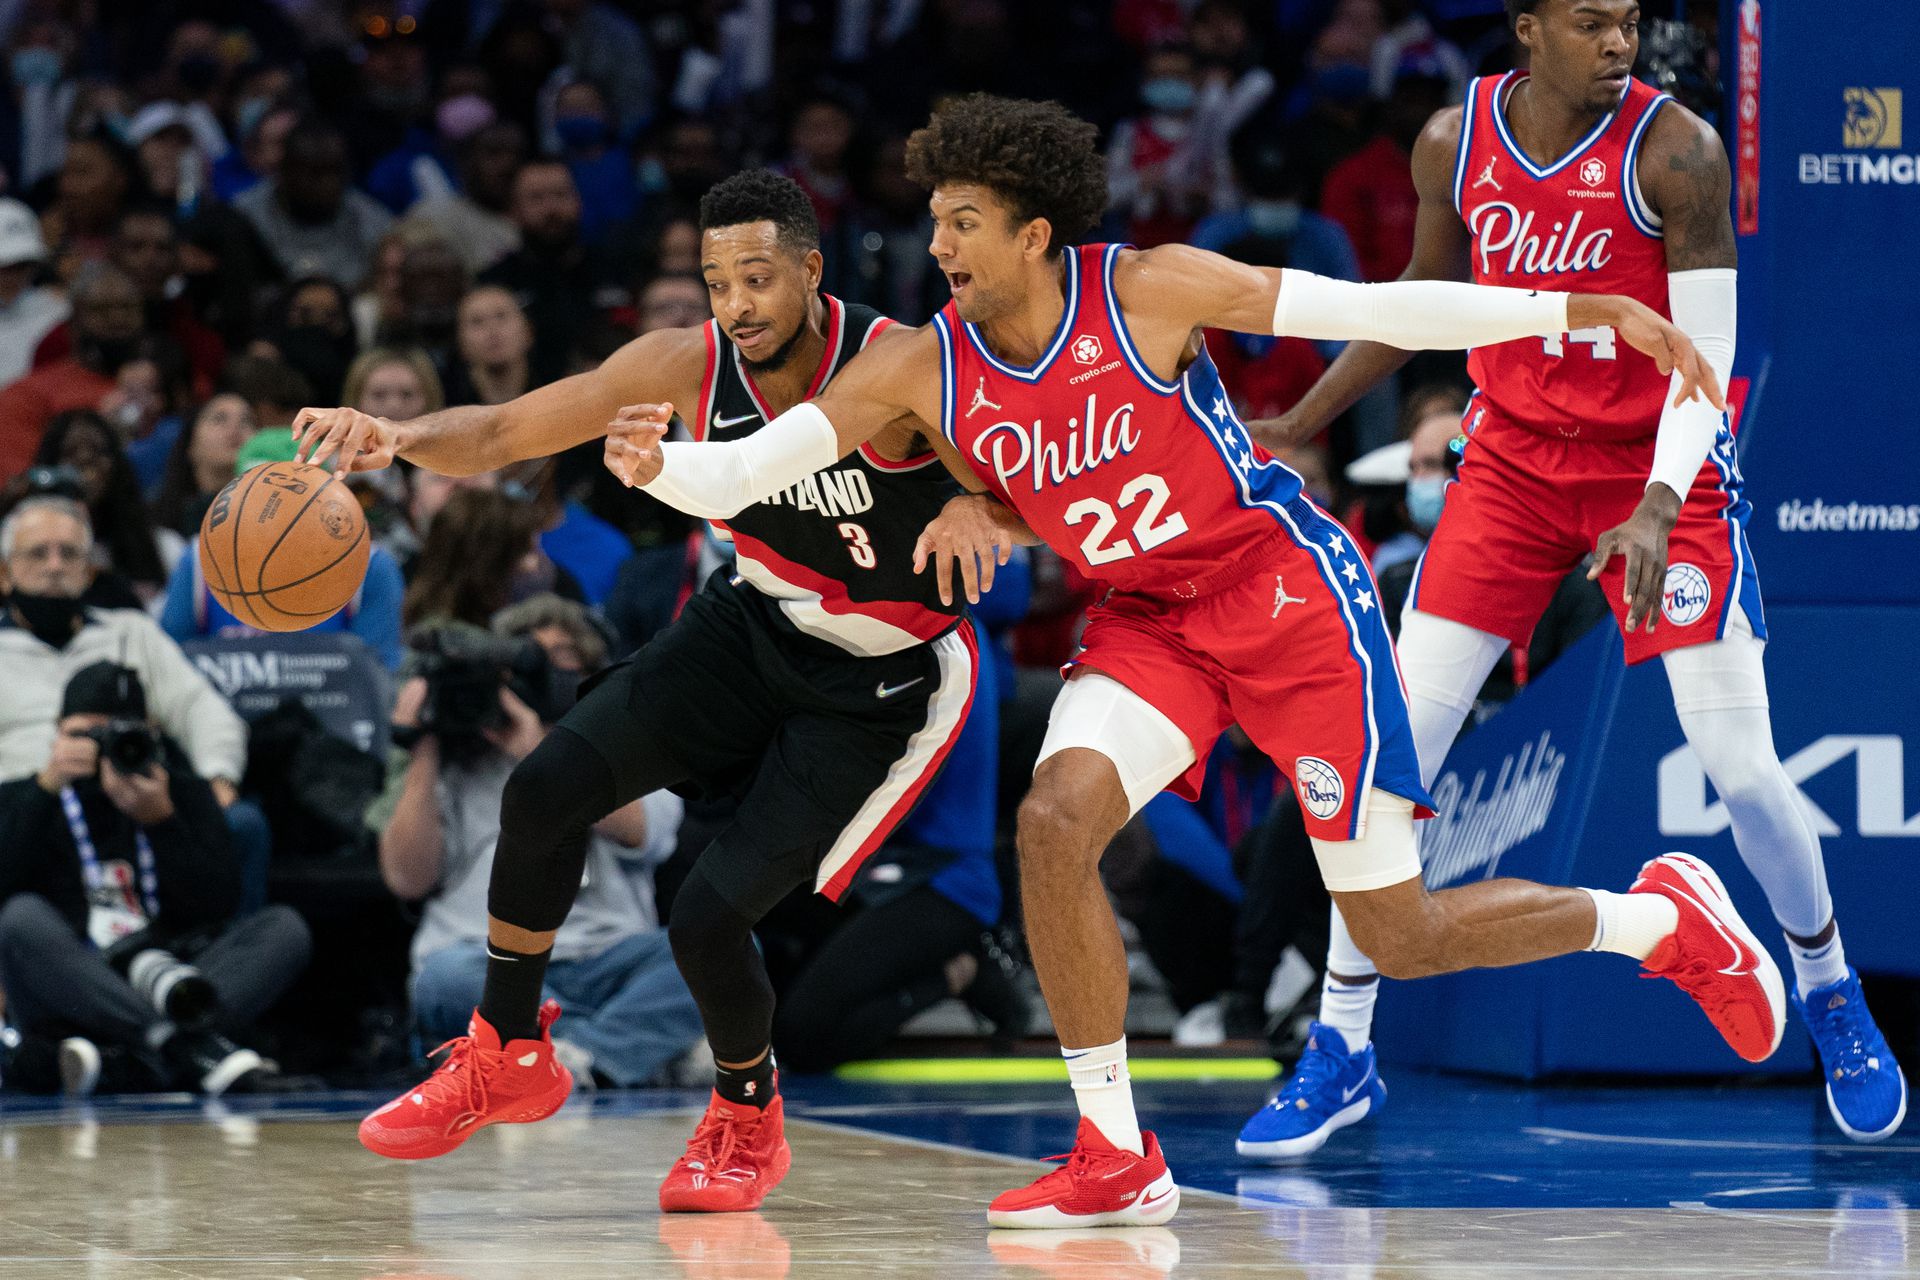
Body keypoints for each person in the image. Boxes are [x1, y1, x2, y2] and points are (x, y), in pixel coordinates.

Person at [583, 93, 1763, 1230]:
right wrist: (661, 469)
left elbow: (1375, 310)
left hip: (1289, 600)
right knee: (1054, 821)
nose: (934, 244)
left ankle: (1656, 920)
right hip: (1152, 620)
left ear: (1033, 233)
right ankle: (1113, 1150)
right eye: (933, 221)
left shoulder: (1147, 288)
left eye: (962, 222)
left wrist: (1578, 311)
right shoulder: (920, 365)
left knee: (1402, 935)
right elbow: (752, 473)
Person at [1248, 0, 1910, 1150]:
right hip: (1509, 462)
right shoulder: (1455, 144)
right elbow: (1419, 302)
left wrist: (1658, 504)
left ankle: (1832, 992)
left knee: (1744, 769)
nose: (1620, 44)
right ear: (1527, 28)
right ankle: (1342, 1042)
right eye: (1594, 23)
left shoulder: (1676, 150)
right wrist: (1297, 420)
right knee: (1388, 758)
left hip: (1660, 469)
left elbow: (1705, 366)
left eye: (1632, 23)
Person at [295, 169, 993, 1214]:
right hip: (754, 616)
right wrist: (392, 438)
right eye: (717, 281)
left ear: (811, 268)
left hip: (881, 674)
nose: (737, 304)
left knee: (708, 915)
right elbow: (501, 432)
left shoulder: (897, 364)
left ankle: (748, 1108)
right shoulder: (685, 363)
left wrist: (985, 506)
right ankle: (509, 1050)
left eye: (757, 277)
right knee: (544, 786)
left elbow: (1027, 469)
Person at [378, 595, 698, 1088]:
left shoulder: (630, 747)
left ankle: (550, 1059)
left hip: (608, 961)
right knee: (445, 977)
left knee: (715, 948)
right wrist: (422, 749)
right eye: (524, 658)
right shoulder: (461, 756)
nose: (538, 674)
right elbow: (406, 878)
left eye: (561, 657)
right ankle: (630, 1049)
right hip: (485, 960)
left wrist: (539, 751)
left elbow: (644, 832)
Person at [0, 661, 310, 1095]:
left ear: (151, 733)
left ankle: (131, 1061)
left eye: (116, 735)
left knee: (285, 928)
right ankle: (184, 1050)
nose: (101, 749)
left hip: (174, 978)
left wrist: (161, 821)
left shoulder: (182, 793)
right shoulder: (24, 796)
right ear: (57, 733)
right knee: (18, 918)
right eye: (84, 735)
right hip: (75, 983)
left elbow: (218, 905)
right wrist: (47, 787)